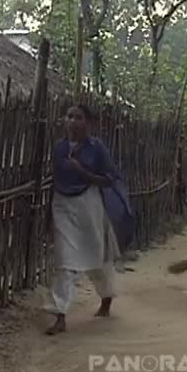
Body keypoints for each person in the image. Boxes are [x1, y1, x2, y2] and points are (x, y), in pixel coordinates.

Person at [44, 104, 132, 335]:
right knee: (64, 259)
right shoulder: (59, 148)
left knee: (96, 256)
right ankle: (60, 314)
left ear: (88, 123)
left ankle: (106, 298)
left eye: (78, 117)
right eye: (69, 116)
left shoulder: (96, 148)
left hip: (89, 204)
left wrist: (82, 171)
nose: (72, 121)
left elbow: (109, 179)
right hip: (62, 204)